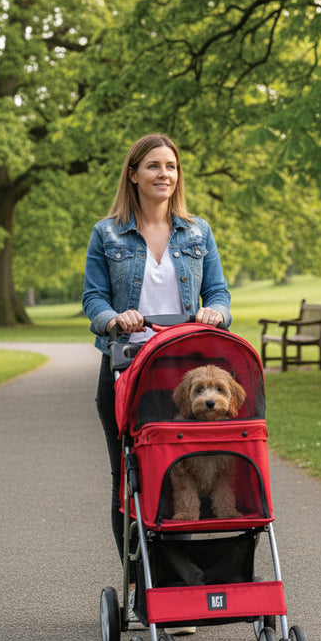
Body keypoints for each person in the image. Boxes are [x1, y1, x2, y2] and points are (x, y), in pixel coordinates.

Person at [82, 134, 232, 614]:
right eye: (152, 166)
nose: (163, 174)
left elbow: (220, 293)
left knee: (189, 474)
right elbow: (93, 299)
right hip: (129, 373)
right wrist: (113, 319)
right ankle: (142, 586)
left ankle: (186, 586)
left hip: (185, 374)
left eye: (170, 166)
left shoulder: (197, 232)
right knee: (131, 479)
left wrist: (215, 314)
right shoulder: (107, 234)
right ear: (133, 174)